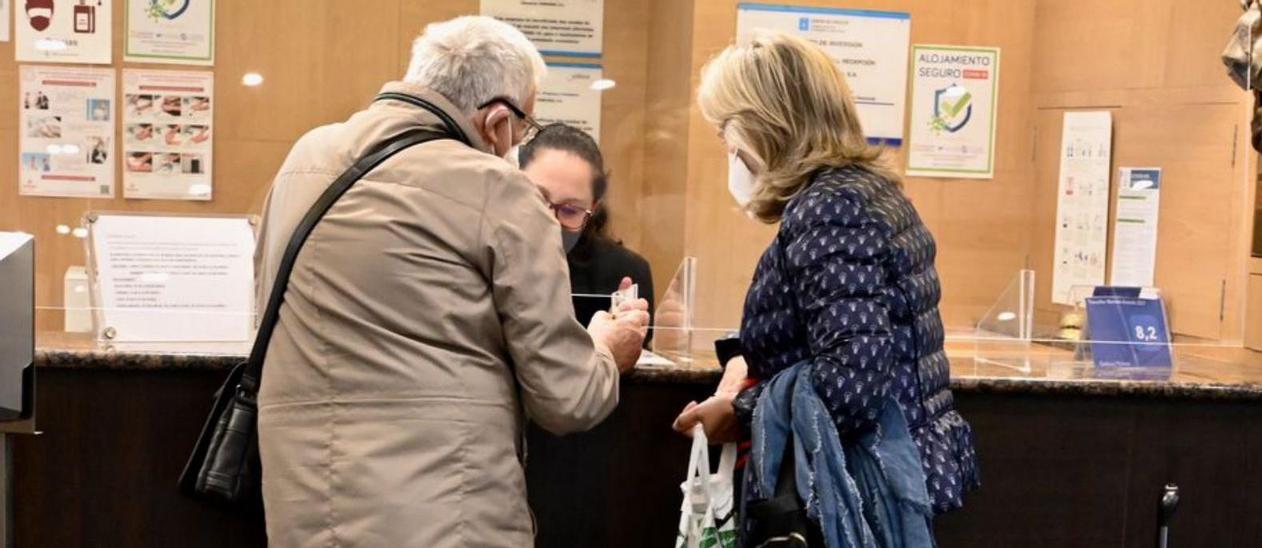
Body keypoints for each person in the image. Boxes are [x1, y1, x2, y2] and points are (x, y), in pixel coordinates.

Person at [253, 16, 649, 547]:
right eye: (524, 129)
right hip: (446, 514)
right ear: (498, 122)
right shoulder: (496, 187)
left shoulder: (305, 159)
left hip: (303, 504)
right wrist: (606, 349)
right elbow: (567, 397)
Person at [672, 32, 979, 541]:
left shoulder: (828, 210)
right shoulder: (865, 193)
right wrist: (748, 359)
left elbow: (852, 378)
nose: (726, 146)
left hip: (854, 492)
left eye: (726, 128)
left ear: (765, 125)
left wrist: (742, 413)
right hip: (891, 473)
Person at [517, 123, 655, 343]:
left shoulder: (624, 271)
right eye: (538, 199)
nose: (550, 220)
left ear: (593, 207)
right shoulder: (481, 253)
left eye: (570, 210)